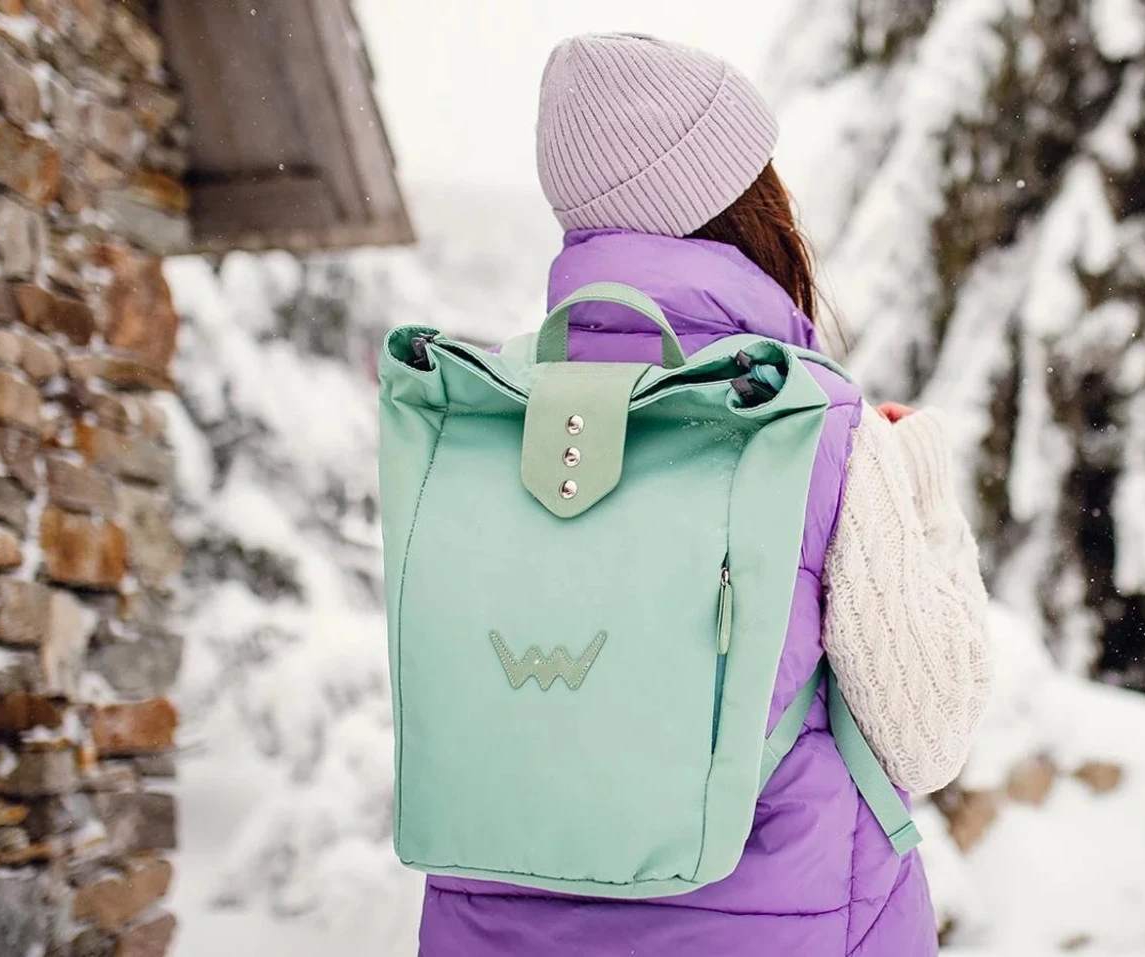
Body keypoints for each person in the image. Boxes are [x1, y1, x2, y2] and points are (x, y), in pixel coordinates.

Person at [414, 32, 994, 957]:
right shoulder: (816, 424)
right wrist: (918, 485)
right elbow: (928, 732)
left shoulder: (479, 422)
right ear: (742, 205)